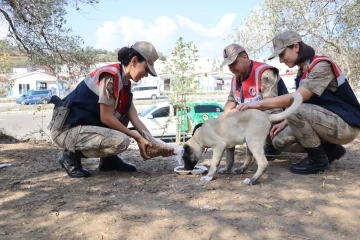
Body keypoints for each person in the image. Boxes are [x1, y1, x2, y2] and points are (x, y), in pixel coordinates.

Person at [235, 30, 360, 174]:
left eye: (282, 54)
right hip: (327, 121)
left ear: (296, 47)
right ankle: (330, 150)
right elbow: (310, 103)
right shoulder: (302, 71)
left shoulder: (321, 65)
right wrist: (286, 121)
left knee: (294, 109)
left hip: (346, 125)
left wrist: (257, 104)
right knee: (278, 140)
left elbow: (297, 99)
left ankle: (318, 160)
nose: (281, 60)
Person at [48, 41, 173, 178]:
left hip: (83, 127)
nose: (146, 74)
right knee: (121, 141)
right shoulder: (110, 77)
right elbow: (106, 117)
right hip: (66, 129)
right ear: (134, 60)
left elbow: (135, 119)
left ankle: (109, 161)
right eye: (146, 68)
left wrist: (154, 143)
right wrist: (138, 139)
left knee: (123, 115)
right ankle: (70, 155)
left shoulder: (125, 84)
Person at [221, 43, 288, 155]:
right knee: (228, 118)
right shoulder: (235, 78)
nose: (231, 68)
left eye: (234, 63)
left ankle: (273, 144)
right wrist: (227, 114)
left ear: (244, 57)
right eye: (229, 65)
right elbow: (231, 100)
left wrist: (238, 114)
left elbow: (270, 103)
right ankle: (267, 145)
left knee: (257, 117)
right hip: (257, 116)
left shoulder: (264, 72)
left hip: (284, 118)